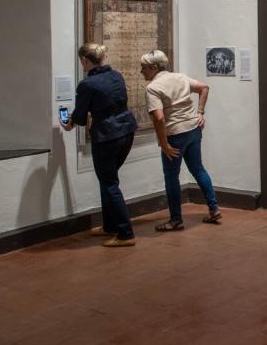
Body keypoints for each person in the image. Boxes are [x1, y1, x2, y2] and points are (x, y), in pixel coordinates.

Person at [60, 43, 137, 247]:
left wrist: (69, 124)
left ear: (85, 60)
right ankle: (110, 226)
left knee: (110, 183)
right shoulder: (116, 76)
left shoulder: (88, 84)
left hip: (107, 136)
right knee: (108, 180)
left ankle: (125, 233)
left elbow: (81, 115)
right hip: (127, 131)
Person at [140, 50, 221, 230]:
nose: (141, 71)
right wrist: (199, 112)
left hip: (175, 135)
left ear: (154, 67)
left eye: (144, 68)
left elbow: (159, 118)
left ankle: (175, 220)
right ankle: (214, 208)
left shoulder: (153, 88)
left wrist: (164, 144)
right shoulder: (180, 77)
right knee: (198, 169)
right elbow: (204, 87)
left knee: (171, 177)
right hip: (193, 129)